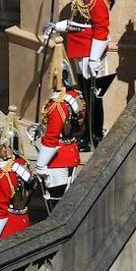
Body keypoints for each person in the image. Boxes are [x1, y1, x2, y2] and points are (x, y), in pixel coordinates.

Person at [44, 0, 115, 150]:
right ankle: (86, 132)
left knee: (94, 96)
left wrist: (94, 57)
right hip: (78, 49)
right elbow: (78, 21)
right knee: (85, 95)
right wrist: (58, 26)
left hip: (90, 51)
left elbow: (101, 29)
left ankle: (94, 134)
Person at [34, 37, 86, 213]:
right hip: (71, 152)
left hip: (58, 158)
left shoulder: (58, 105)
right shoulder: (76, 96)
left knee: (55, 204)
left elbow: (52, 137)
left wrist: (40, 164)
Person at [0, 109, 34, 244]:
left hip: (8, 227)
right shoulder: (23, 164)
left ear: (5, 147)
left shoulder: (5, 173)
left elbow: (0, 207)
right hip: (23, 220)